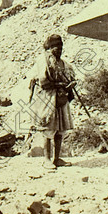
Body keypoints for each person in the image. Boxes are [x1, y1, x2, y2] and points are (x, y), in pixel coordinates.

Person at [29, 34, 77, 169]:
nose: (59, 49)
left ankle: (56, 159)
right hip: (47, 98)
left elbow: (69, 76)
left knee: (60, 128)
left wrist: (70, 84)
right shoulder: (43, 60)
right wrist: (61, 84)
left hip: (61, 98)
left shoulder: (63, 63)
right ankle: (46, 159)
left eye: (61, 46)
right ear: (49, 47)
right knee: (48, 128)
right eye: (56, 46)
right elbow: (44, 82)